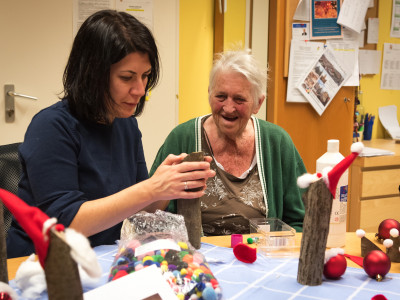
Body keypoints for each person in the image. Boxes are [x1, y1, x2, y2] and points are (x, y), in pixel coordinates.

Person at [6, 10, 215, 258]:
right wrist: (152, 187)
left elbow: (137, 213)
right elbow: (67, 223)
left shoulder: (126, 125)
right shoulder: (51, 127)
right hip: (43, 265)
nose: (140, 90)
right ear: (92, 75)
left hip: (103, 257)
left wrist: (166, 188)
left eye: (145, 76)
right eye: (127, 77)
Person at [150, 50, 306, 235]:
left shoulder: (277, 142)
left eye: (239, 99)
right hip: (197, 258)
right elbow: (152, 215)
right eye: (221, 96)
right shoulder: (182, 138)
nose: (229, 107)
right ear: (209, 94)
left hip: (261, 258)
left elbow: (300, 221)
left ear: (258, 103)